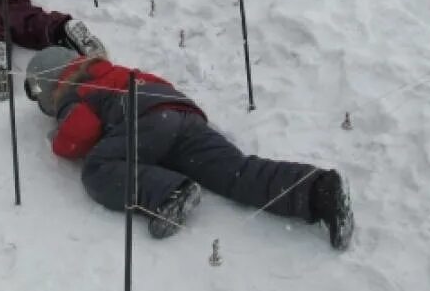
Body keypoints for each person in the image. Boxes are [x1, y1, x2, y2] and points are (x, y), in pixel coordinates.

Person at [24, 47, 354, 249]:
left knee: (97, 168)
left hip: (145, 121)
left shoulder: (74, 91)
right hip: (182, 115)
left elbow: (79, 132)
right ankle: (316, 190)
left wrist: (59, 139)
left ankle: (169, 194)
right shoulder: (115, 71)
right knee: (235, 172)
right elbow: (162, 85)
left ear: (49, 89)